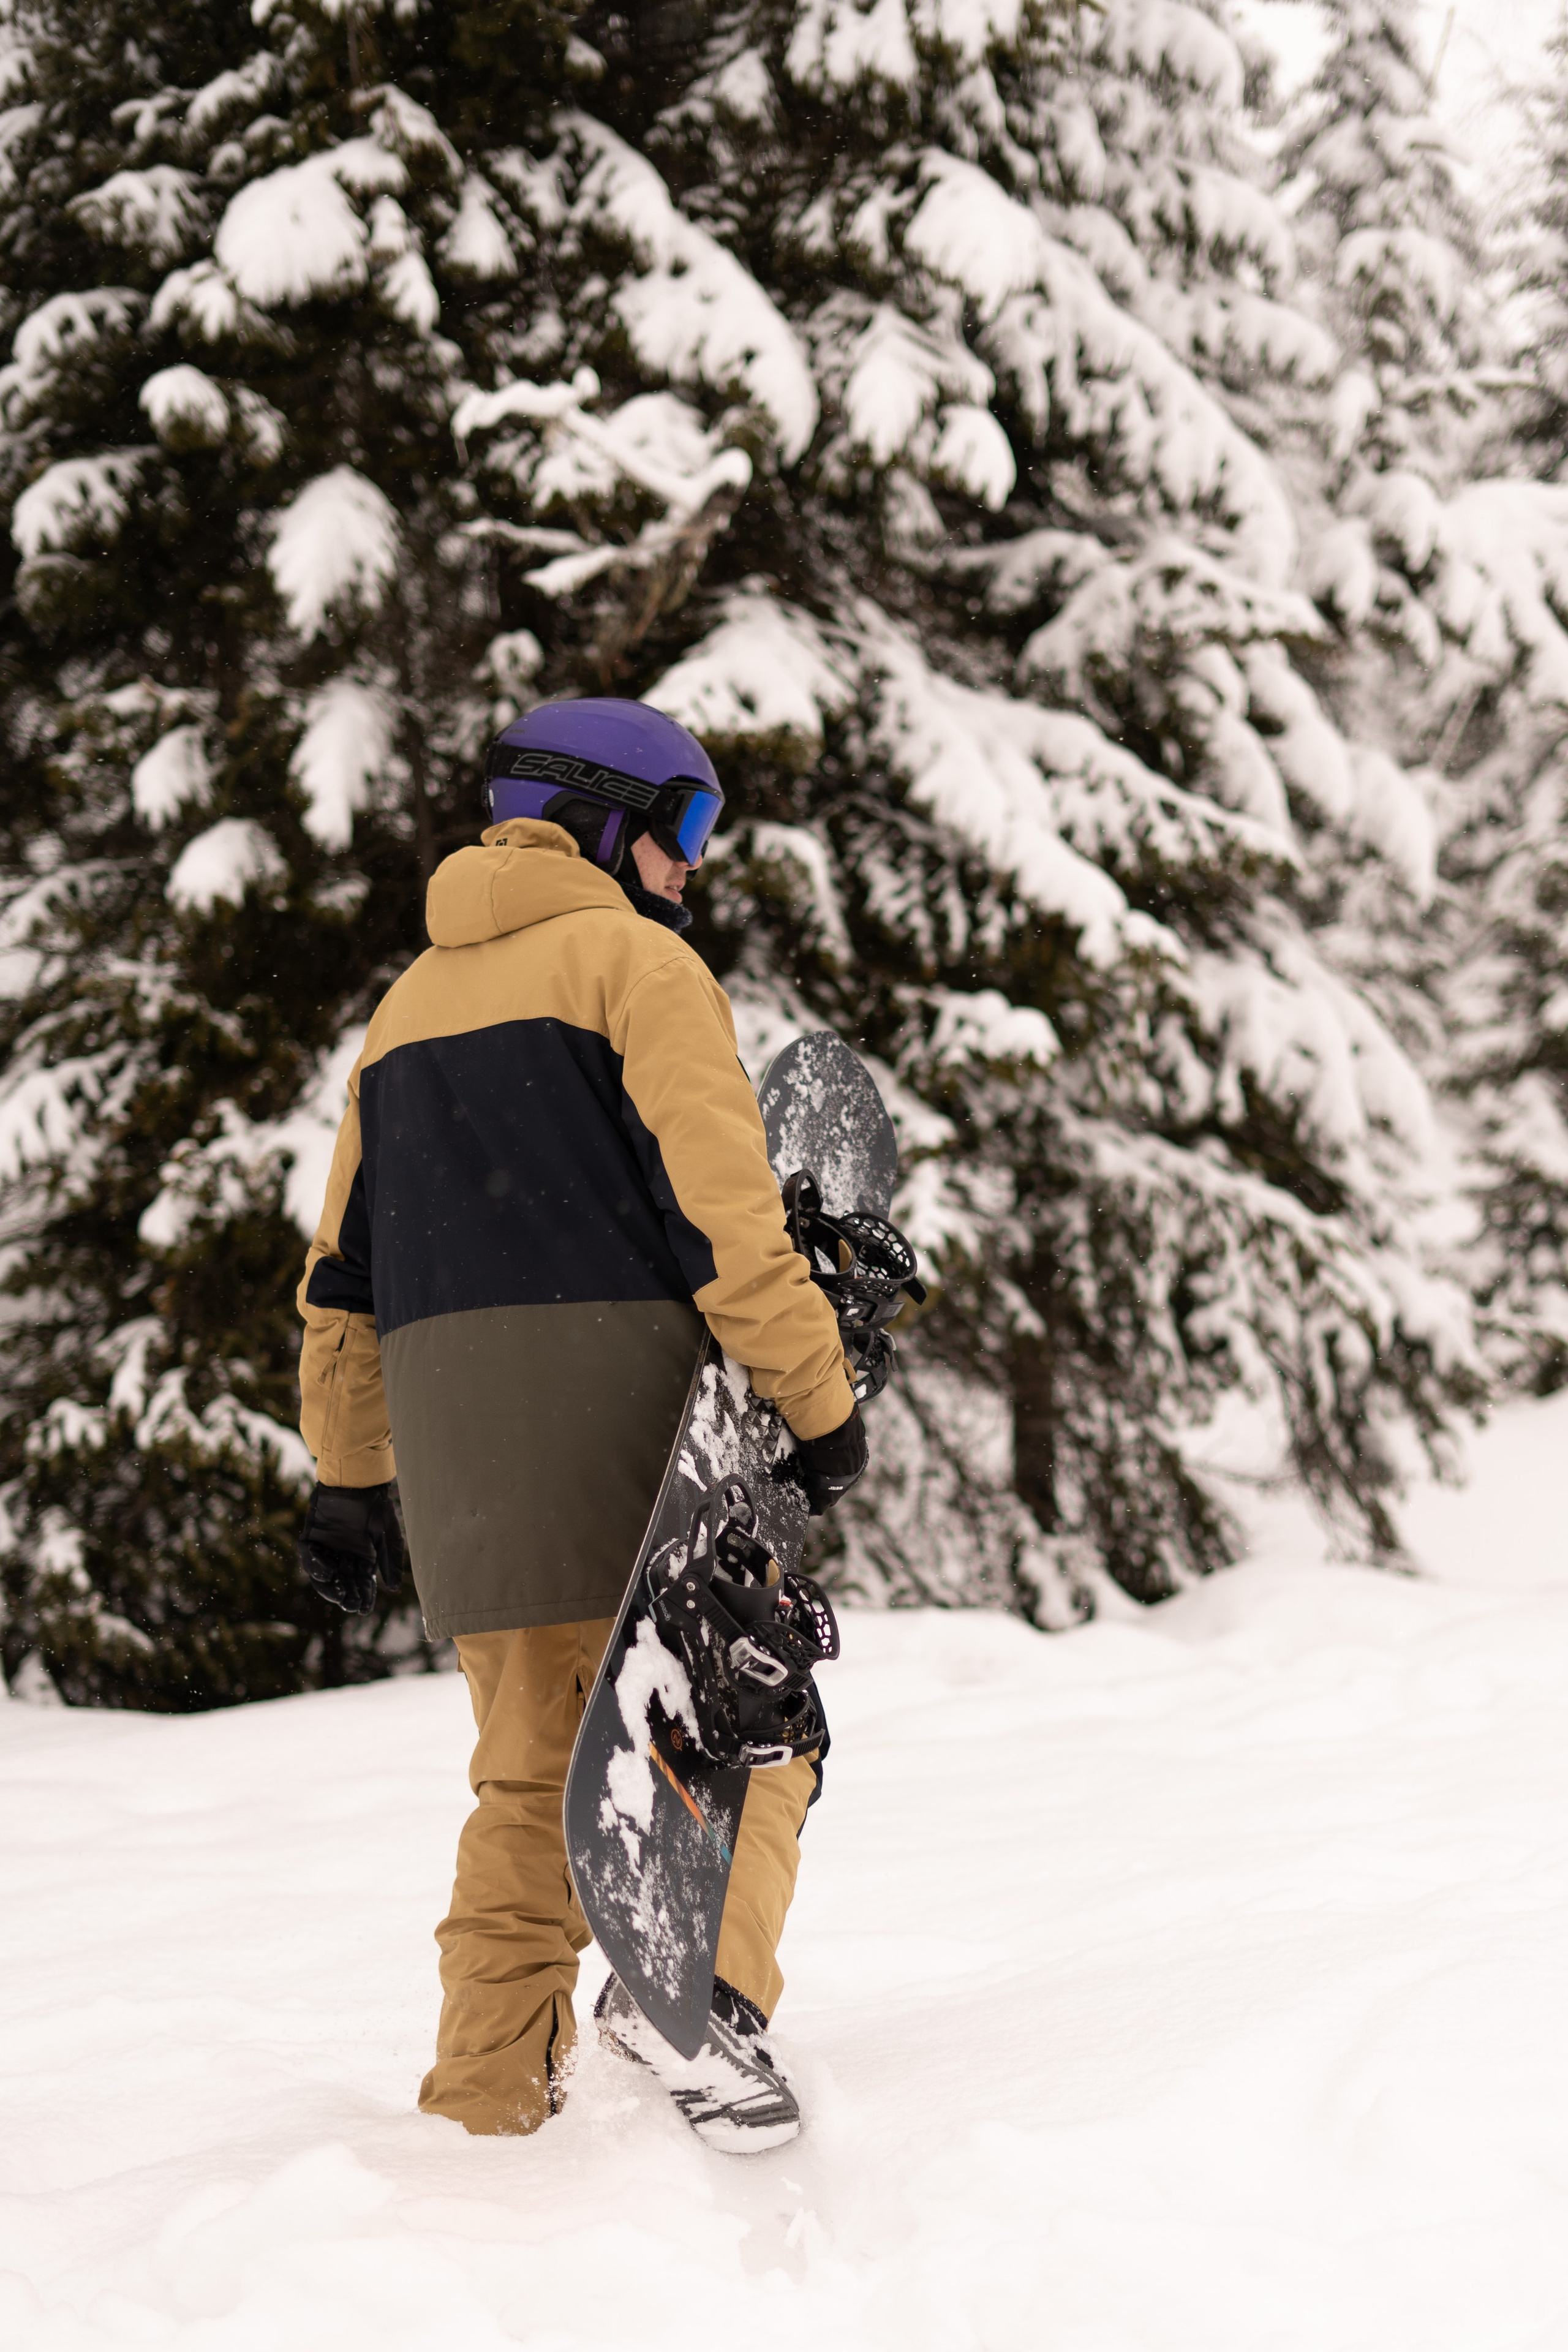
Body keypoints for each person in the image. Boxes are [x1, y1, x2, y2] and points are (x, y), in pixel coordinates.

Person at [293, 697, 869, 2151]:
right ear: (609, 820)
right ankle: (699, 2003)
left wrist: (348, 1475)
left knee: (530, 1786)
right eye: (682, 830)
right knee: (754, 1720)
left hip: (460, 1463)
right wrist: (815, 1401)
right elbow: (729, 1222)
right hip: (615, 1428)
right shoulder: (637, 964)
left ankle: (485, 2126)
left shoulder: (403, 1007)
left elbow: (340, 1277)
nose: (692, 867)